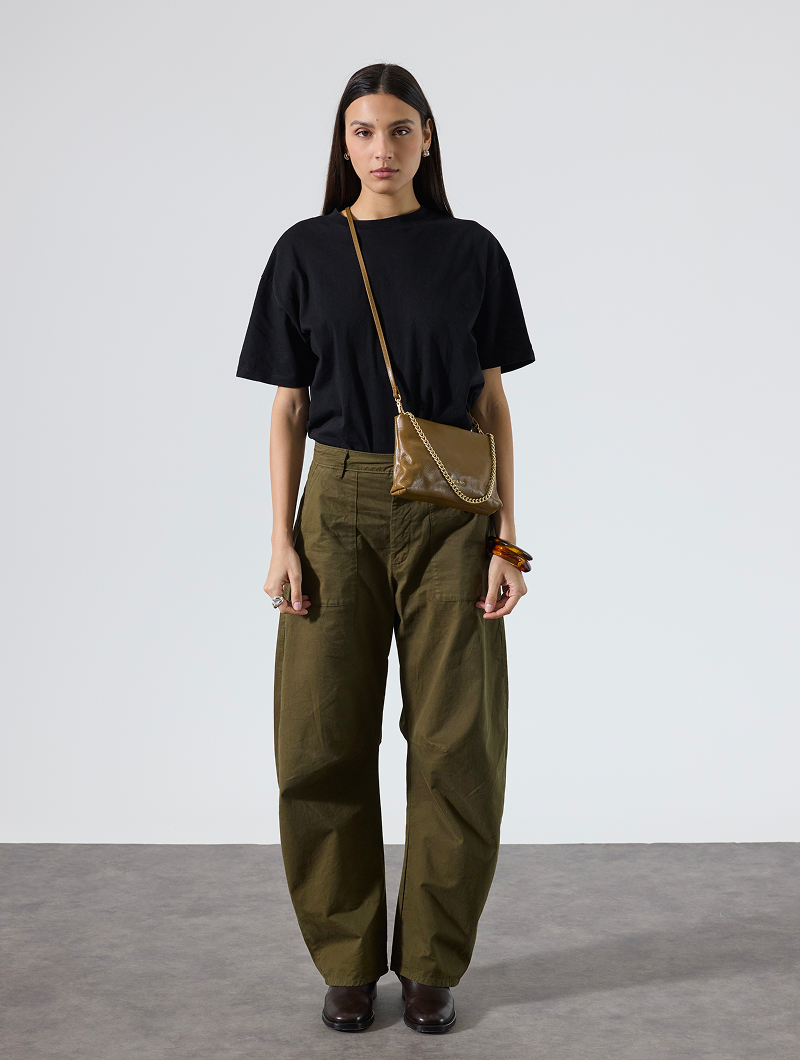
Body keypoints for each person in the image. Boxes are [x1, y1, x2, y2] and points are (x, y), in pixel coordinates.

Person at [236, 62, 535, 1035]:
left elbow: (492, 403)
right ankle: (348, 961)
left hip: (451, 512)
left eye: (400, 130)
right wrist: (280, 538)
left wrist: (507, 540)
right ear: (342, 143)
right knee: (318, 739)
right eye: (362, 132)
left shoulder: (470, 250)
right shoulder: (305, 250)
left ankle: (433, 963)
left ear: (427, 138)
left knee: (457, 746)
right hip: (336, 506)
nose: (381, 149)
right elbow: (287, 407)